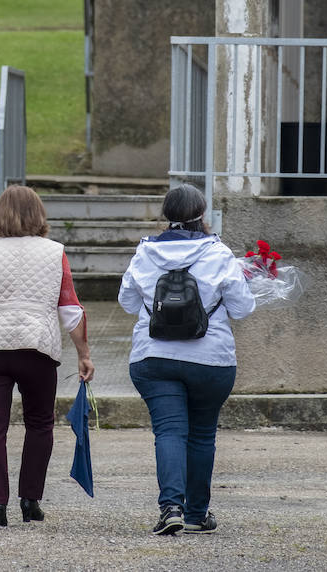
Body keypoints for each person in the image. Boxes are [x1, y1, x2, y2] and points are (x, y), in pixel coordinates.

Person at [118, 184, 256, 537]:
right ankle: (196, 513)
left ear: (166, 215)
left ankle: (171, 508)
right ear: (202, 215)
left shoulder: (144, 252)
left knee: (169, 431)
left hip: (154, 358)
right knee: (202, 434)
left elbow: (128, 304)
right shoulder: (220, 253)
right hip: (211, 360)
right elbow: (242, 308)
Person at [0, 185, 95, 528]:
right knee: (40, 424)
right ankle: (30, 500)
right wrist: (84, 354)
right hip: (38, 348)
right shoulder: (54, 253)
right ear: (39, 215)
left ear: (0, 215)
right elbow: (71, 312)